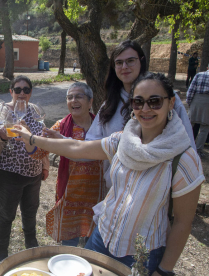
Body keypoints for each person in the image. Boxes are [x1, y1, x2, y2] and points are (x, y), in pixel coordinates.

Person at [13, 72, 205, 275]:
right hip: (101, 238)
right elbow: (76, 148)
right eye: (138, 102)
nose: (145, 109)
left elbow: (183, 222)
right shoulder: (124, 140)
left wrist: (164, 270)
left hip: (140, 254)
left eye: (155, 101)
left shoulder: (183, 159)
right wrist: (32, 139)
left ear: (171, 102)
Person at [86, 39, 195, 190]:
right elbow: (91, 143)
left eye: (130, 61)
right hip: (117, 191)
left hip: (157, 192)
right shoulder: (109, 105)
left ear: (141, 61)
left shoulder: (167, 99)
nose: (124, 67)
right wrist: (60, 141)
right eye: (119, 62)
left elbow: (188, 146)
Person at [30, 82, 104, 247]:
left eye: (78, 96)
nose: (73, 100)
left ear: (90, 102)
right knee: (68, 247)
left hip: (97, 197)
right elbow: (38, 153)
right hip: (70, 197)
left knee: (93, 247)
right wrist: (31, 139)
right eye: (69, 97)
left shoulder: (101, 127)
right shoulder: (61, 126)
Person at [0, 75, 49, 263]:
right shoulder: (3, 110)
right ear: (11, 92)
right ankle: (2, 254)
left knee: (30, 212)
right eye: (18, 89)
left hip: (34, 173)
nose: (22, 93)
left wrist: (45, 165)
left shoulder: (34, 111)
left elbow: (44, 139)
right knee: (6, 215)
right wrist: (3, 134)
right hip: (10, 174)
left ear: (31, 92)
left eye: (26, 89)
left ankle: (31, 249)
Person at [187, 63, 209, 157]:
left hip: (196, 100)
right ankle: (199, 150)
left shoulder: (199, 75)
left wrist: (189, 101)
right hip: (207, 102)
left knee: (189, 124)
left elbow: (191, 89)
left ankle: (186, 147)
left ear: (207, 67)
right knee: (205, 128)